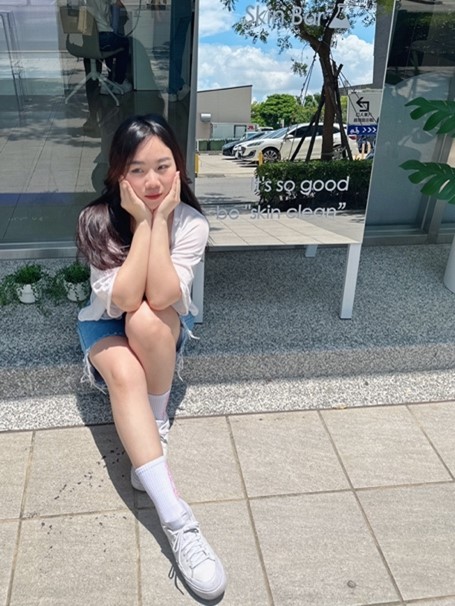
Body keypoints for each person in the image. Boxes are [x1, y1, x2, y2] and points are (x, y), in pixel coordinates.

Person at [76, 114, 227, 601]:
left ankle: (155, 421)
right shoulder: (97, 220)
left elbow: (160, 297)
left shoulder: (191, 224)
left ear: (179, 168)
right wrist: (143, 222)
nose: (153, 181)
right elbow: (120, 301)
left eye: (163, 166)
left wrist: (161, 221)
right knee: (124, 372)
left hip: (160, 327)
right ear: (119, 174)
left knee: (146, 319)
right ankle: (180, 524)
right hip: (105, 323)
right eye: (138, 170)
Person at [85, 0, 132, 94]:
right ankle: (119, 81)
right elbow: (119, 3)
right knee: (124, 42)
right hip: (103, 36)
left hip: (86, 40)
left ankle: (110, 79)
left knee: (112, 43)